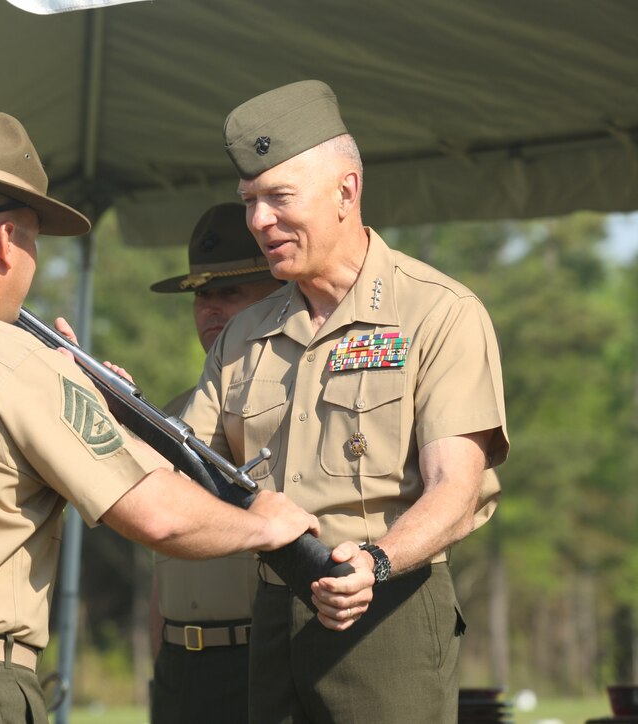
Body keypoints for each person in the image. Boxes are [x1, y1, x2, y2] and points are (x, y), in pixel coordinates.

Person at [0, 110, 323, 724]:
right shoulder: (17, 361)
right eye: (34, 244)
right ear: (5, 242)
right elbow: (155, 514)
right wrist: (264, 525)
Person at [180, 80, 509, 723]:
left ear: (346, 190)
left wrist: (376, 564)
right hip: (274, 613)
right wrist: (103, 402)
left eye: (278, 198)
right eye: (249, 201)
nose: (257, 222)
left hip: (390, 608)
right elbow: (188, 469)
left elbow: (454, 488)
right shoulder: (244, 335)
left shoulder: (438, 312)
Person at [147, 202, 283, 724]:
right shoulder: (170, 417)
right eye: (202, 295)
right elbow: (165, 564)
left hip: (263, 654)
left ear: (277, 296)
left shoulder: (300, 407)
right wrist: (163, 659)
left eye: (231, 292)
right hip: (184, 665)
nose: (210, 309)